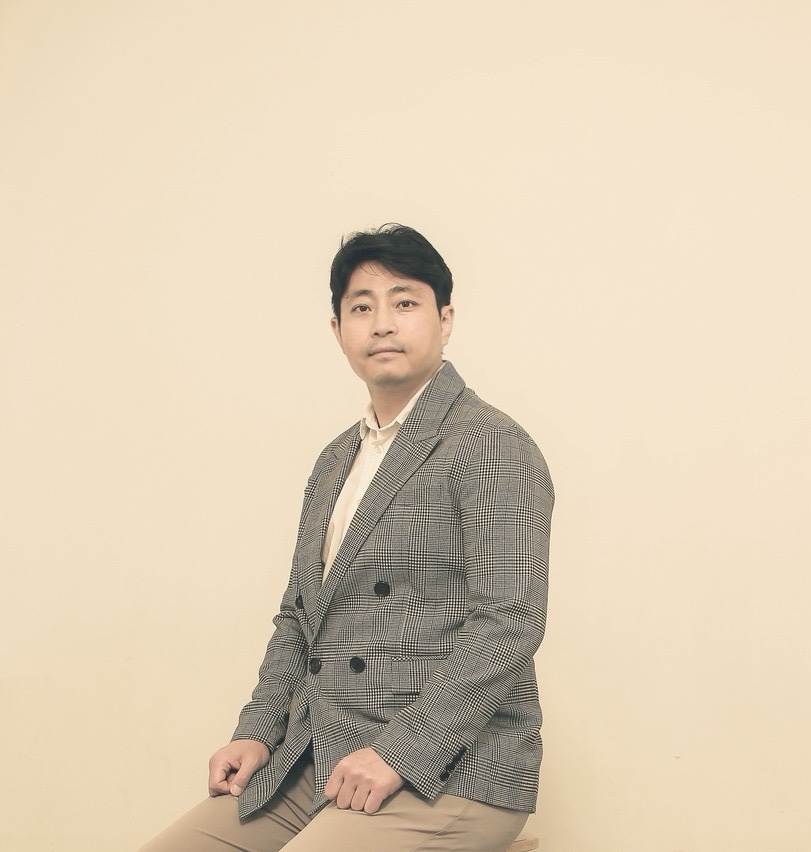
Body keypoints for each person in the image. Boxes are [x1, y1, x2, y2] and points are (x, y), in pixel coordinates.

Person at [139, 224, 554, 852]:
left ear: (445, 320)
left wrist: (400, 752)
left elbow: (509, 624)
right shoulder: (336, 459)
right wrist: (258, 729)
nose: (382, 323)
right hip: (321, 756)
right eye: (362, 307)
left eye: (404, 302)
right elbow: (298, 616)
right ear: (338, 331)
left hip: (451, 771)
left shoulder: (492, 443)